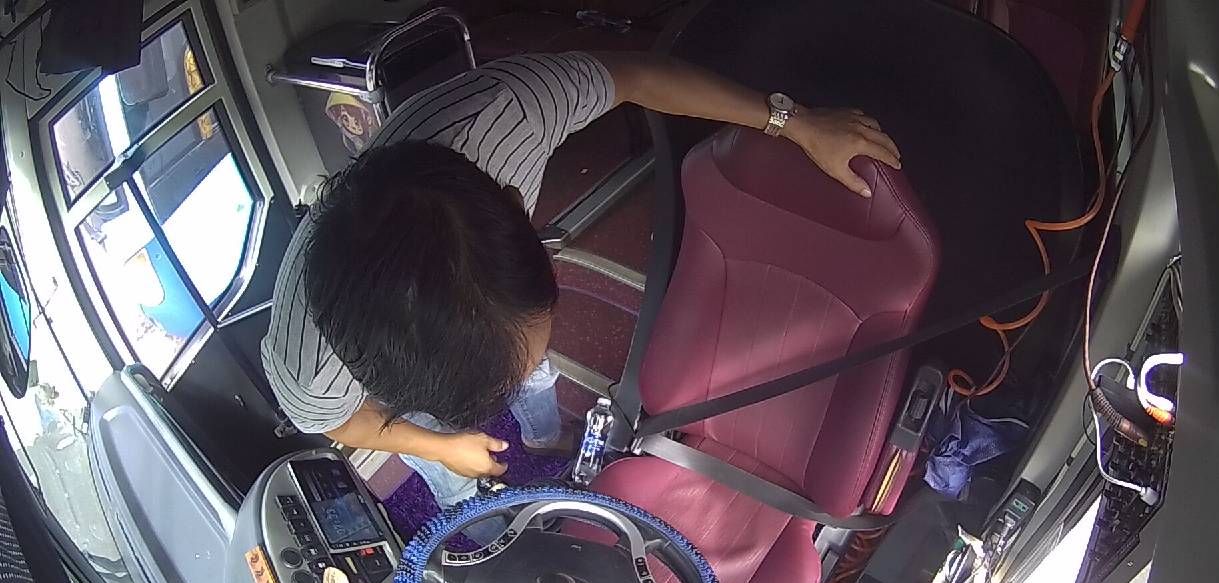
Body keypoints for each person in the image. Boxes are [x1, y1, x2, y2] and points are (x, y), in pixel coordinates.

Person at [262, 51, 901, 537]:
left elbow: (636, 72)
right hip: (420, 401)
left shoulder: (510, 111)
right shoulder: (307, 370)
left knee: (532, 371)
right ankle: (472, 517)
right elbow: (344, 421)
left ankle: (543, 438)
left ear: (518, 209)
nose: (513, 378)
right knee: (454, 475)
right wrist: (438, 445)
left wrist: (792, 122)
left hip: (480, 294)